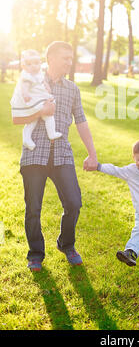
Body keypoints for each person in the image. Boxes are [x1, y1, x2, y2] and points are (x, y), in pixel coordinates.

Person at [12, 41, 98, 271]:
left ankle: (66, 244)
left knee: (74, 203)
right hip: (34, 156)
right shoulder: (30, 82)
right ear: (50, 59)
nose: (70, 62)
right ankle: (35, 254)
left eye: (71, 58)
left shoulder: (72, 89)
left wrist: (92, 153)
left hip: (62, 155)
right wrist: (40, 112)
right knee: (33, 209)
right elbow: (15, 118)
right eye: (65, 58)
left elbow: (81, 121)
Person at [10, 49, 62, 150]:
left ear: (40, 63)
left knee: (36, 120)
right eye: (29, 64)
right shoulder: (27, 76)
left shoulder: (39, 74)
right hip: (33, 100)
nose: (33, 66)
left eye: (36, 63)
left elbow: (43, 82)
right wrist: (25, 94)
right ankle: (48, 134)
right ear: (24, 66)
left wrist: (47, 87)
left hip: (40, 98)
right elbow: (24, 86)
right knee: (42, 117)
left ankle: (31, 137)